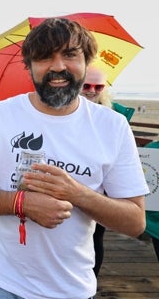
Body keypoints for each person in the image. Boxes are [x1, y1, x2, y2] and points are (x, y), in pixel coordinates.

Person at [0, 17, 149, 299]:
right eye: (45, 57)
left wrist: (77, 193)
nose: (58, 66)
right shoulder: (1, 114)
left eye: (70, 55)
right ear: (30, 66)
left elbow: (135, 221)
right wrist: (21, 202)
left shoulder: (112, 126)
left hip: (70, 287)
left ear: (87, 62)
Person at [80, 65, 111, 276]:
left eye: (98, 86)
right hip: (73, 179)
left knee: (96, 234)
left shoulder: (111, 118)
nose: (92, 90)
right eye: (86, 85)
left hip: (100, 183)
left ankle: (92, 279)